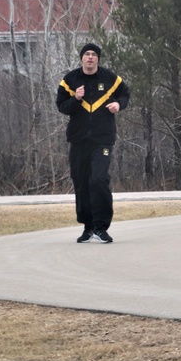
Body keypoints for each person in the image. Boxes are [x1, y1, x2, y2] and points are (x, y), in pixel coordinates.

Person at [56, 43, 131, 244]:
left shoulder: (110, 79)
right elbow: (61, 106)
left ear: (98, 58)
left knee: (98, 180)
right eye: (87, 54)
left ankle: (101, 227)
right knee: (81, 182)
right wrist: (76, 99)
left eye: (93, 54)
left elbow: (125, 93)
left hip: (102, 139)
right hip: (79, 140)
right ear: (82, 58)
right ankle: (88, 227)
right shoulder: (70, 80)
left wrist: (119, 104)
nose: (90, 57)